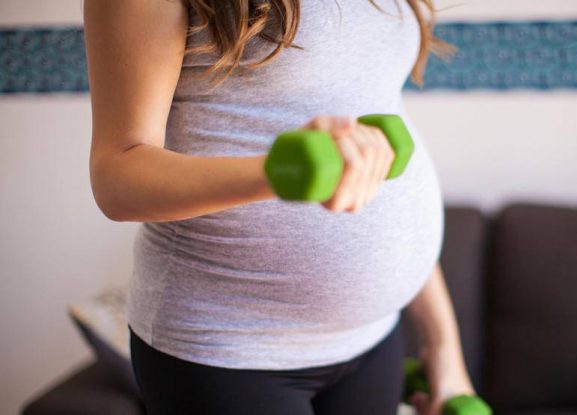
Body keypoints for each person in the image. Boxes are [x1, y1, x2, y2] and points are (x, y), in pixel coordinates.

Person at [83, 0, 475, 414]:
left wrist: (443, 344)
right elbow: (117, 176)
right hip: (226, 348)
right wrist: (280, 173)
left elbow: (380, 160)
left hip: (373, 340)